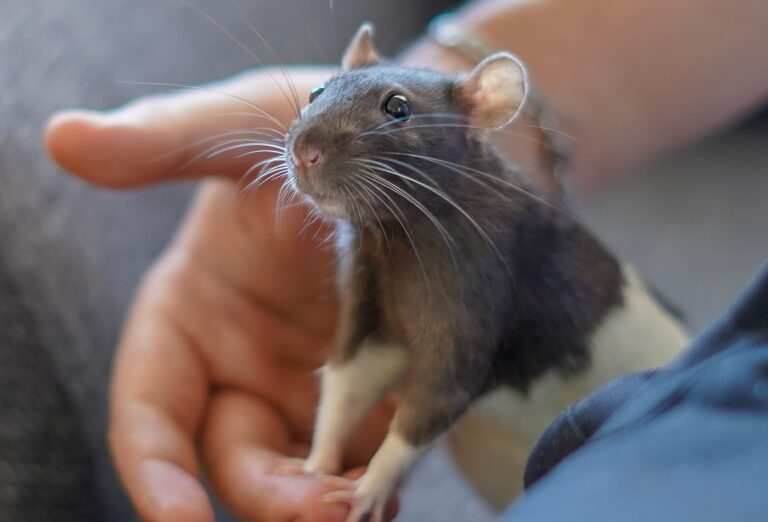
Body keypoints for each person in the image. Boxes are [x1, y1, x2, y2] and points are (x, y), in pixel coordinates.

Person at [44, 0, 768, 521]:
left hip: (651, 430)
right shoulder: (379, 228)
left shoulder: (478, 250)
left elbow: (448, 374)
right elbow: (359, 352)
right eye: (324, 95)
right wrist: (324, 460)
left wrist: (373, 479)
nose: (308, 144)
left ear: (482, 110)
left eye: (390, 109)